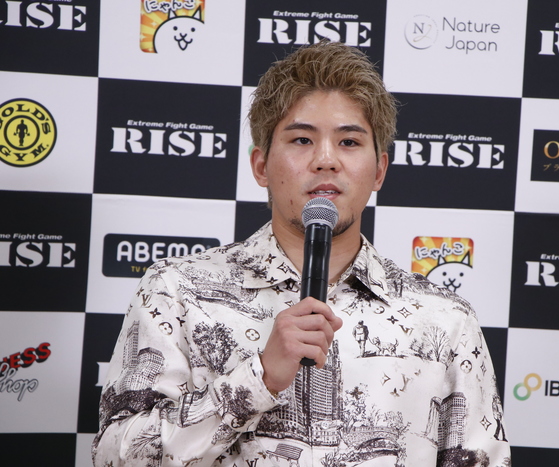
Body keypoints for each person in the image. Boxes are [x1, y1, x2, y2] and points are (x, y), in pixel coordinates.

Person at [93, 40, 511, 467]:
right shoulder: (177, 291)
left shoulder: (446, 320)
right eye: (301, 139)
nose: (326, 160)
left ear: (379, 171)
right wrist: (258, 378)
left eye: (349, 142)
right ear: (261, 166)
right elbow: (115, 458)